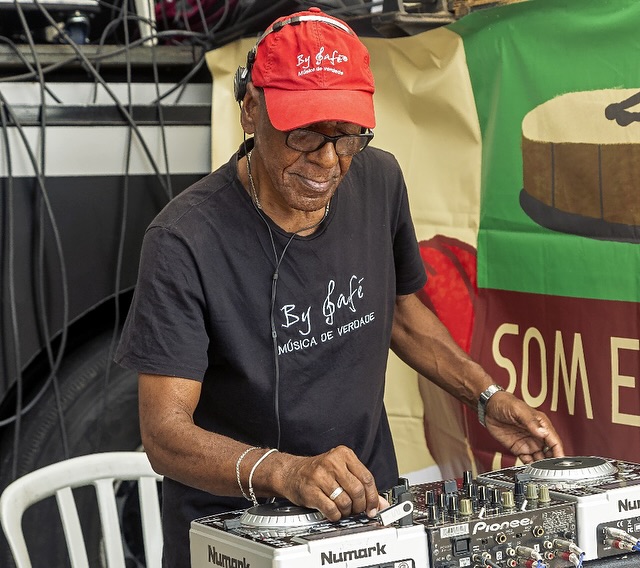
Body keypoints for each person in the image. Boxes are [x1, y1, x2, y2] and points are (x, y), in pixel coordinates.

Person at [115, 7, 564, 568]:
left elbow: (401, 313)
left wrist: (485, 396)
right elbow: (164, 434)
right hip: (235, 534)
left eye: (348, 135)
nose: (328, 161)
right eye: (304, 134)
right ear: (251, 109)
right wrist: (285, 471)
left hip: (365, 514)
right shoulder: (182, 241)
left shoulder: (379, 179)